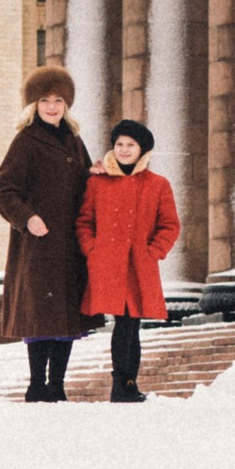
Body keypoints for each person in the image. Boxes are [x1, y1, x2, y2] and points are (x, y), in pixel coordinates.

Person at [0, 66, 93, 402]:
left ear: (67, 105)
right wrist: (27, 218)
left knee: (65, 316)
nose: (52, 106)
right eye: (45, 100)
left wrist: (98, 174)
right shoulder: (26, 141)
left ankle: (57, 384)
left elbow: (87, 186)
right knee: (39, 315)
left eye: (58, 100)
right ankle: (37, 383)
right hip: (37, 245)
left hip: (69, 245)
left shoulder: (74, 141)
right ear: (34, 105)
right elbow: (4, 190)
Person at [76, 119, 180, 403]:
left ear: (141, 150)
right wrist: (92, 250)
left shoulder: (158, 184)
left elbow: (170, 225)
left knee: (132, 324)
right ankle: (123, 385)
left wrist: (153, 252)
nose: (123, 149)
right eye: (119, 144)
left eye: (130, 145)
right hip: (108, 264)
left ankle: (127, 384)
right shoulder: (97, 183)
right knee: (125, 322)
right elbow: (84, 222)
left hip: (138, 265)